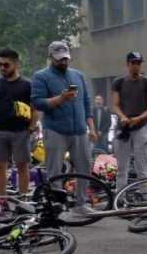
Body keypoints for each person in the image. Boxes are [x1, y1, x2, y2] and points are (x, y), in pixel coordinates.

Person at [30, 41, 97, 212]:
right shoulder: (41, 76)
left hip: (80, 130)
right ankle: (56, 205)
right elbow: (37, 102)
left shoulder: (78, 75)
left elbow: (86, 102)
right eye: (59, 59)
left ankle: (81, 203)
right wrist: (59, 99)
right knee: (55, 170)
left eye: (66, 58)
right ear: (50, 56)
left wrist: (91, 128)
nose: (63, 62)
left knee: (84, 168)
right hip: (55, 129)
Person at [0, 48, 36, 200]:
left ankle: (23, 199)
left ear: (16, 64)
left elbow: (35, 108)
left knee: (22, 166)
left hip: (21, 131)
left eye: (6, 64)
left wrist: (31, 128)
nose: (2, 67)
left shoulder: (27, 84)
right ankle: (2, 200)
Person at [111, 51, 147, 191]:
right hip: (123, 127)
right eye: (133, 63)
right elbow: (115, 105)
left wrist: (139, 118)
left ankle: (143, 197)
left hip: (141, 128)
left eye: (139, 63)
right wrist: (123, 117)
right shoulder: (118, 82)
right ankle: (120, 198)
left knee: (142, 167)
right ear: (127, 64)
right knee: (121, 167)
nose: (136, 66)